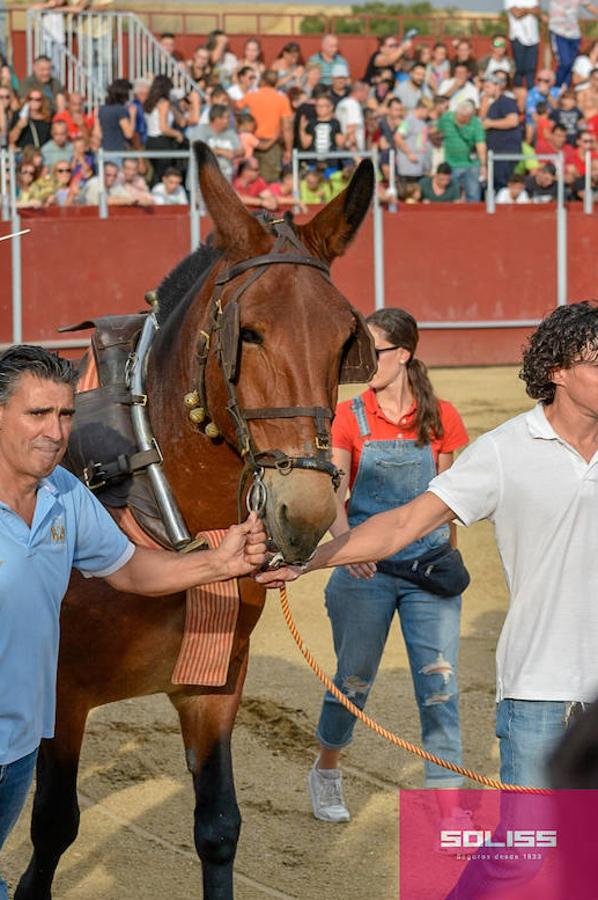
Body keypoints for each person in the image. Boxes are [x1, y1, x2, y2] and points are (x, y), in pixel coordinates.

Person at [259, 300, 598, 791]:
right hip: (539, 690)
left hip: (445, 587)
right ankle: (330, 765)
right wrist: (307, 560)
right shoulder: (505, 452)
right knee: (532, 854)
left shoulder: (441, 418)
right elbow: (404, 524)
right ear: (557, 370)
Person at [0, 346, 267, 899]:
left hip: (19, 739)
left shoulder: (65, 494)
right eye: (37, 414)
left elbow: (126, 569)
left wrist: (218, 563)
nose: (55, 432)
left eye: (65, 415)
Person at [301, 308, 469, 824]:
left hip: (428, 572)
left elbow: (448, 498)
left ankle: (447, 802)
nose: (362, 364)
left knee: (439, 685)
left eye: (371, 353)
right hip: (365, 573)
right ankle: (327, 769)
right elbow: (334, 490)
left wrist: (447, 556)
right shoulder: (348, 415)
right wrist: (348, 545)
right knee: (352, 679)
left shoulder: (443, 415)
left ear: (405, 354)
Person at [243, 69, 294, 181]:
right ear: (276, 82)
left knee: (251, 180)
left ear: (262, 80)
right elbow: (287, 127)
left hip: (253, 143)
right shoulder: (282, 98)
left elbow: (236, 108)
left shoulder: (251, 95)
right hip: (272, 145)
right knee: (269, 181)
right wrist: (288, 150)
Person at [434, 100, 487, 201]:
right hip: (451, 163)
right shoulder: (446, 118)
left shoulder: (475, 123)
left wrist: (483, 165)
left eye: (467, 117)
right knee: (451, 194)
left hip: (471, 165)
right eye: (461, 116)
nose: (464, 119)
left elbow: (480, 144)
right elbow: (437, 131)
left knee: (473, 194)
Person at [480, 74, 522, 189]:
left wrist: (491, 123)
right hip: (495, 151)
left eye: (488, 87)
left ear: (497, 86)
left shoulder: (506, 101)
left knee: (502, 182)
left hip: (506, 151)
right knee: (494, 183)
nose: (485, 90)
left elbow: (513, 120)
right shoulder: (490, 103)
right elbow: (482, 121)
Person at [187, 103, 242, 182]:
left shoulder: (230, 132)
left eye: (228, 117)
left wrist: (233, 153)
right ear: (215, 118)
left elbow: (241, 150)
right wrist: (221, 151)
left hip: (224, 181)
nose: (228, 120)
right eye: (224, 117)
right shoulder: (201, 130)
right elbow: (200, 148)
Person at [549, 0, 598, 87]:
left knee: (572, 64)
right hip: (558, 32)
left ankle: (566, 89)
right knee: (565, 63)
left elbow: (589, 5)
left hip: (574, 34)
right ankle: (556, 88)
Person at [504, 0, 541, 91]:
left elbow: (538, 11)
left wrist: (524, 10)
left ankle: (531, 95)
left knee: (531, 70)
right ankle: (518, 93)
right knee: (519, 69)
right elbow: (516, 13)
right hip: (518, 37)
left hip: (533, 39)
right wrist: (530, 10)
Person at [96, 78, 135, 160]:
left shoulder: (102, 109)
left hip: (104, 151)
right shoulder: (120, 110)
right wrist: (133, 116)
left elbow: (97, 133)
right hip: (117, 151)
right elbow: (129, 134)